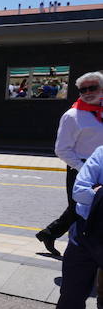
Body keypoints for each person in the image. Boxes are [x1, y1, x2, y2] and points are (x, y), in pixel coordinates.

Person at [32, 144, 103, 309]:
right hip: (84, 233)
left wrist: (99, 192)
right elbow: (79, 191)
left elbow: (87, 194)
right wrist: (96, 193)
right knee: (71, 294)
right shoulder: (101, 152)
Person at [36, 72, 103, 256]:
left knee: (88, 208)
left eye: (93, 88)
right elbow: (62, 149)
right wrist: (87, 171)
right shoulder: (72, 115)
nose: (87, 92)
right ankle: (74, 247)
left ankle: (50, 234)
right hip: (81, 167)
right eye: (83, 89)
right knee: (80, 208)